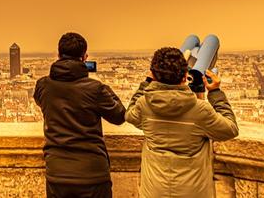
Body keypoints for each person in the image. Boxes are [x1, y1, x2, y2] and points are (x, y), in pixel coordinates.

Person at [126, 47, 239, 198]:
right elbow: (230, 129)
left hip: (154, 191)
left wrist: (146, 83)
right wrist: (215, 93)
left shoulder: (144, 105)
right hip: (193, 191)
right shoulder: (200, 110)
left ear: (152, 74)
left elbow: (130, 115)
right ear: (185, 77)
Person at [33, 32, 126, 198]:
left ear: (58, 55)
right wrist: (103, 88)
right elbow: (119, 116)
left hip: (57, 172)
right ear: (85, 57)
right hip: (92, 173)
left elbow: (42, 101)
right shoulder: (95, 89)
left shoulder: (43, 86)